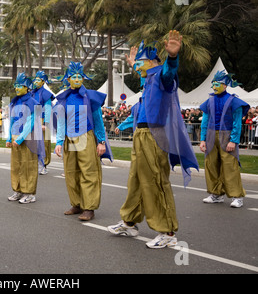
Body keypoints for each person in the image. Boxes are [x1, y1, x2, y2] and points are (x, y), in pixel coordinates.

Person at [107, 31, 198, 248]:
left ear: (151, 62)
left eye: (139, 63)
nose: (136, 68)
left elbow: (169, 72)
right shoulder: (147, 79)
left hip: (156, 135)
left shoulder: (161, 76)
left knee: (156, 181)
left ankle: (167, 232)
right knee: (136, 179)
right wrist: (134, 65)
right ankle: (129, 222)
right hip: (141, 134)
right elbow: (144, 75)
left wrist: (173, 57)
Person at [54, 62, 112, 221]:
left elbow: (98, 120)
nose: (77, 79)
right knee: (71, 173)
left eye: (80, 76)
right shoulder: (63, 99)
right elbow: (61, 122)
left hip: (86, 136)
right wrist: (59, 142)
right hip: (69, 138)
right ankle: (77, 204)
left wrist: (101, 141)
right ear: (68, 79)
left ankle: (89, 207)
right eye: (74, 76)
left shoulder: (91, 97)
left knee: (89, 172)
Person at [199, 70, 250, 208]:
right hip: (210, 136)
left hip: (227, 136)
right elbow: (205, 121)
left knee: (230, 166)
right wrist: (203, 140)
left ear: (225, 85)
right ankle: (216, 194)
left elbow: (237, 123)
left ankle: (237, 196)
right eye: (213, 84)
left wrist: (233, 140)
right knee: (211, 165)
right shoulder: (209, 101)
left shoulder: (234, 101)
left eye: (217, 84)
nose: (214, 87)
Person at [6, 73, 45, 204]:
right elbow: (11, 121)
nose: (16, 88)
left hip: (28, 137)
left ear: (27, 88)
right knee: (16, 165)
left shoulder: (34, 103)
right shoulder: (14, 101)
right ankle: (18, 190)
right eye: (15, 86)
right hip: (15, 137)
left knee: (28, 165)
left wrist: (20, 139)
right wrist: (8, 137)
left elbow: (31, 122)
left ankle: (29, 193)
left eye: (20, 86)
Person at [31, 70, 55, 175]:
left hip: (43, 120)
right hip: (33, 120)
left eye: (38, 80)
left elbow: (48, 109)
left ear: (43, 81)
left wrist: (45, 123)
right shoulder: (31, 93)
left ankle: (44, 164)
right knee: (33, 142)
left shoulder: (46, 94)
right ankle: (36, 162)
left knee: (44, 143)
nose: (36, 81)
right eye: (35, 79)